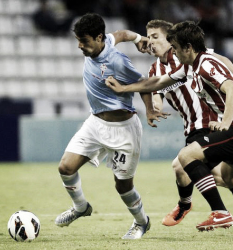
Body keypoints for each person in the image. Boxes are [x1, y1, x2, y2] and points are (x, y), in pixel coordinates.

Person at [106, 21, 233, 239]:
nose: (173, 52)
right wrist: (124, 88)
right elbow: (157, 83)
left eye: (175, 47)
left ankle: (220, 212)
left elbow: (232, 89)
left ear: (187, 47)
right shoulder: (190, 66)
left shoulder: (205, 64)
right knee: (230, 176)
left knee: (186, 157)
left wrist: (225, 121)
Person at [54, 13, 165, 240]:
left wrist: (150, 110)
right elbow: (122, 34)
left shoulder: (116, 60)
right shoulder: (105, 41)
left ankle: (141, 222)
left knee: (122, 186)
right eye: (78, 41)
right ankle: (81, 207)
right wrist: (137, 39)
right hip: (95, 123)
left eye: (83, 41)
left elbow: (144, 84)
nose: (79, 46)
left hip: (123, 129)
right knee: (65, 167)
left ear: (98, 38)